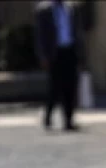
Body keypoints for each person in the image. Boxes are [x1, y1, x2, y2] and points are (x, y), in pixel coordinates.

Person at [35, 0, 85, 132]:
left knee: (70, 86)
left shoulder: (72, 8)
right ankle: (48, 116)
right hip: (54, 52)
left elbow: (77, 30)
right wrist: (43, 56)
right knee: (54, 86)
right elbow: (40, 35)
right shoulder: (44, 10)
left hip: (69, 50)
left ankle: (68, 119)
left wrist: (80, 52)